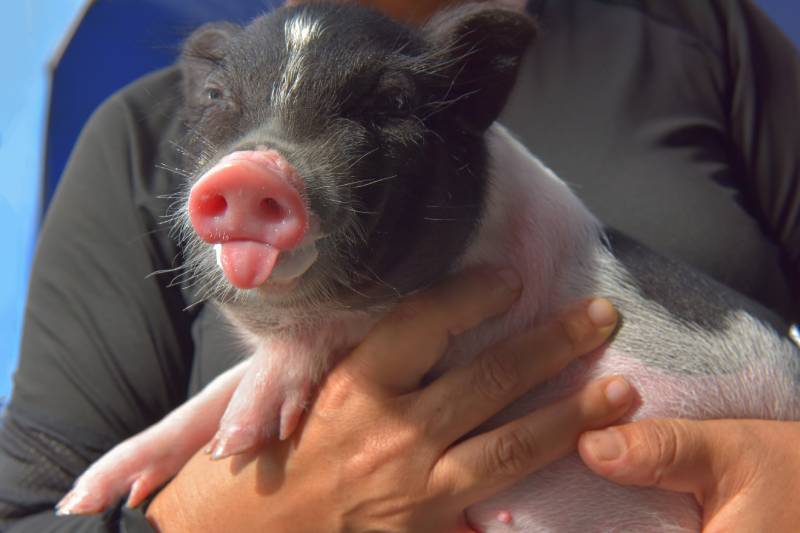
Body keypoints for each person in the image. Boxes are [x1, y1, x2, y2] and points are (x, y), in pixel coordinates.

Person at [2, 0, 798, 531]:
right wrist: (227, 517)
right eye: (219, 101)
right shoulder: (140, 138)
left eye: (381, 108)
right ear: (207, 89)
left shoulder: (692, 34)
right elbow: (30, 509)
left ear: (478, 80)